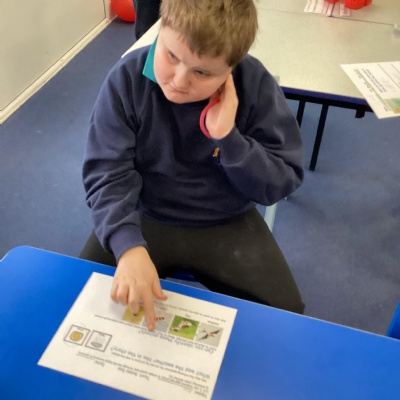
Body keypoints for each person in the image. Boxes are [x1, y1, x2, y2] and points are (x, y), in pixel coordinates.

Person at [81, 0, 305, 331]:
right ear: (161, 29)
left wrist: (229, 139)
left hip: (226, 221)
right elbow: (107, 172)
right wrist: (127, 247)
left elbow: (280, 181)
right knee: (80, 295)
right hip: (145, 215)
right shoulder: (126, 79)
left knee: (286, 318)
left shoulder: (255, 85)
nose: (179, 80)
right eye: (171, 56)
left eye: (202, 72)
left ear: (231, 69)